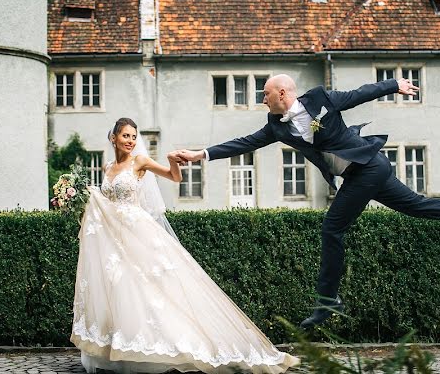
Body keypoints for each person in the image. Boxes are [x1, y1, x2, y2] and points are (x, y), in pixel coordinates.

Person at [170, 74, 440, 330]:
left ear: (281, 93)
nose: (262, 100)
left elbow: (357, 94)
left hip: (368, 167)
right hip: (361, 175)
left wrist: (393, 84)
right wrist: (200, 154)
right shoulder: (276, 125)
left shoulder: (320, 98)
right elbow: (243, 143)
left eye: (265, 95)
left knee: (332, 227)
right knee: (417, 205)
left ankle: (327, 300)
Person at [69, 117, 299, 374]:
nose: (131, 141)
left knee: (155, 288)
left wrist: (171, 162)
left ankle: (170, 346)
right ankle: (123, 348)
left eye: (134, 136)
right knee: (121, 287)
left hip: (138, 231)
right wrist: (82, 197)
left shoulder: (140, 161)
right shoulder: (108, 166)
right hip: (114, 237)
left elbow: (173, 177)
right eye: (126, 136)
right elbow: (106, 201)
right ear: (113, 138)